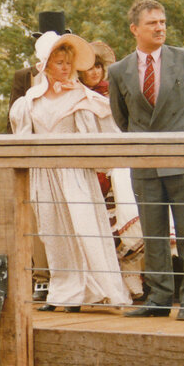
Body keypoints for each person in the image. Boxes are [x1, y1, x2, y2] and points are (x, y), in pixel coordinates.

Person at [108, 0, 184, 321]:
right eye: (153, 23)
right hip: (145, 163)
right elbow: (121, 118)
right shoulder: (119, 70)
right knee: (153, 236)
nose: (160, 27)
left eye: (163, 22)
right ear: (135, 29)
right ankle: (158, 300)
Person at [9, 31, 131, 312]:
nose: (65, 67)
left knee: (84, 228)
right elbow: (22, 138)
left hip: (75, 175)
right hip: (45, 176)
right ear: (46, 65)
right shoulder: (30, 101)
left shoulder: (83, 98)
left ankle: (98, 289)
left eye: (68, 62)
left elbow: (97, 137)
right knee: (54, 234)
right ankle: (64, 293)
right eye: (59, 61)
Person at [8, 11, 71, 301]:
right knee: (38, 220)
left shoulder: (73, 73)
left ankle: (70, 279)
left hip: (67, 158)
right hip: (34, 158)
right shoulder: (24, 76)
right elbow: (12, 119)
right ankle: (42, 278)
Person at [79, 40, 145, 299]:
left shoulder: (113, 91)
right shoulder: (77, 96)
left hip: (119, 164)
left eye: (98, 66)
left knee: (126, 219)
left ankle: (132, 278)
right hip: (90, 166)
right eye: (89, 68)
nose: (95, 72)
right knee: (99, 229)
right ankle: (106, 286)